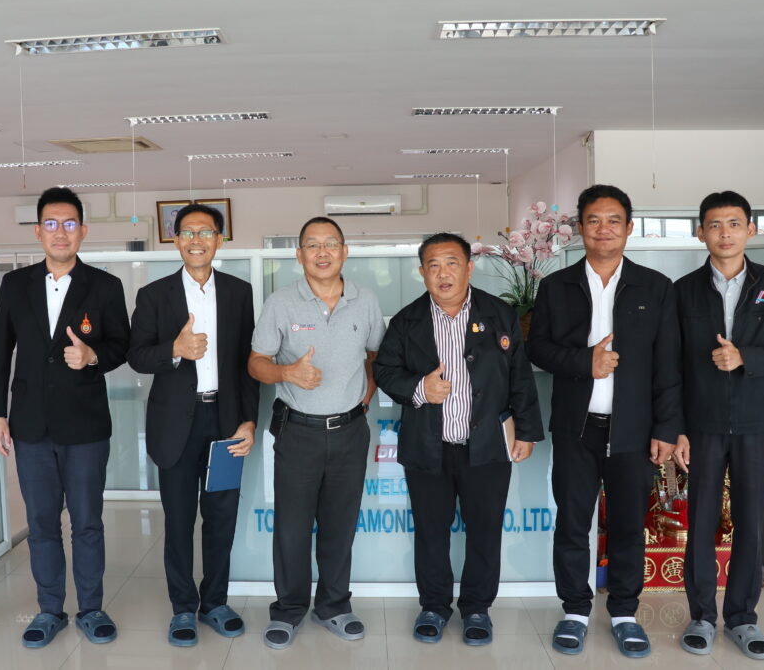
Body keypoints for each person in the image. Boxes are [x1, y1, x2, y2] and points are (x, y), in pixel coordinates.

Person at [527, 184, 682, 659]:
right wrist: (584, 362)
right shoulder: (556, 286)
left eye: (614, 220)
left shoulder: (655, 287)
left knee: (629, 525)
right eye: (593, 220)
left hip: (634, 430)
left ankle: (624, 614)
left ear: (629, 228)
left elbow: (669, 364)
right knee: (573, 521)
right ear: (580, 228)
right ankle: (575, 611)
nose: (604, 229)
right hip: (576, 428)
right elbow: (538, 348)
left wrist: (665, 428)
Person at [373, 233, 543, 645]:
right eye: (433, 265)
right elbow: (385, 371)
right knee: (431, 532)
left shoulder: (499, 313)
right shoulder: (406, 321)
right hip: (428, 447)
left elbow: (519, 376)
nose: (443, 273)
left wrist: (526, 430)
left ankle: (477, 609)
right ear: (422, 272)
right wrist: (420, 388)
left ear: (469, 267)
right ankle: (433, 606)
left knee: (485, 531)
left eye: (452, 263)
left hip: (487, 445)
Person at [0, 187, 130, 648]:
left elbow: (121, 346)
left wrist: (92, 356)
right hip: (30, 426)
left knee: (87, 522)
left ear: (82, 230)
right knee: (42, 524)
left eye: (69, 224)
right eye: (51, 224)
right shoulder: (15, 284)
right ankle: (50, 609)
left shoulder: (105, 286)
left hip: (85, 426)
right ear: (38, 231)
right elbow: (0, 354)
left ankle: (91, 608)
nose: (60, 232)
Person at [673, 191, 764, 660]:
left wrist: (746, 357)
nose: (725, 233)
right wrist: (677, 428)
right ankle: (701, 616)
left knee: (751, 521)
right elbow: (669, 364)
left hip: (756, 421)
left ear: (751, 229)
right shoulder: (683, 291)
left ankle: (741, 618)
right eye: (715, 225)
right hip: (702, 424)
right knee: (701, 520)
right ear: (701, 233)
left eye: (734, 223)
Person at [248, 216, 385, 649]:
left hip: (350, 432)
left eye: (330, 244)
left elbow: (377, 355)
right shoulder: (281, 302)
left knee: (339, 526)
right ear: (299, 254)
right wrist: (287, 372)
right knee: (291, 528)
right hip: (298, 432)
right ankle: (288, 610)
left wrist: (365, 395)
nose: (322, 252)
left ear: (345, 251)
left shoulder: (365, 301)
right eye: (312, 245)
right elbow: (256, 363)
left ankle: (333, 606)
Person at [127, 203, 259, 646]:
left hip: (225, 421)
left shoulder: (239, 292)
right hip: (174, 426)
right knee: (180, 520)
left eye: (205, 232)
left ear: (219, 240)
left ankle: (215, 603)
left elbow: (247, 363)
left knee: (221, 517)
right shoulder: (154, 294)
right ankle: (183, 607)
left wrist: (248, 421)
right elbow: (136, 356)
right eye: (187, 232)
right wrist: (175, 349)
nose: (196, 240)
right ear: (176, 240)